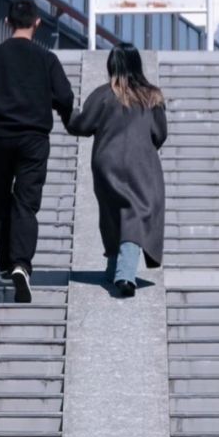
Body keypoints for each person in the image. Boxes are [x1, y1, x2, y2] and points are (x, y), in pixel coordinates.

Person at [0, 0, 74, 303]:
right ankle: (21, 265)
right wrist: (67, 118)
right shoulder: (46, 59)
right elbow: (65, 97)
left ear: (7, 22)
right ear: (38, 23)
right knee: (26, 203)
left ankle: (3, 264)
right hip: (34, 140)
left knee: (0, 199)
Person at [67, 44, 167, 296]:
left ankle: (113, 269)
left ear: (111, 65)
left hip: (106, 162)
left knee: (112, 212)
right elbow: (159, 134)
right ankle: (125, 276)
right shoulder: (152, 96)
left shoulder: (103, 95)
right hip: (141, 163)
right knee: (135, 212)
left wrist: (65, 108)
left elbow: (81, 125)